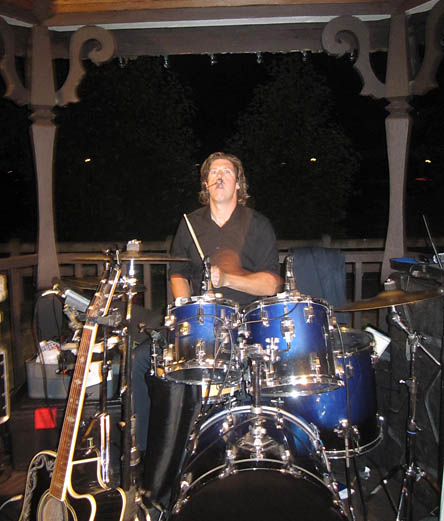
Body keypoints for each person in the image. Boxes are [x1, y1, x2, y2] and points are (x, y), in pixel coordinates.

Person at [169, 151, 281, 304]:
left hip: (247, 315)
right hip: (203, 314)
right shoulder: (189, 224)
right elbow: (178, 274)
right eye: (214, 172)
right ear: (206, 185)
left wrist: (226, 279)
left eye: (227, 172)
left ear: (237, 184)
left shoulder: (259, 225)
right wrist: (186, 308)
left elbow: (271, 285)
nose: (219, 177)